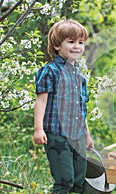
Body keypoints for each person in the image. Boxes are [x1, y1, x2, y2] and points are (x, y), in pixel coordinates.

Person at [33, 19, 94, 194]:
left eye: (81, 42)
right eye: (71, 42)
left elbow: (81, 109)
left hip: (78, 136)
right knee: (64, 180)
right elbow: (41, 101)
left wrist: (87, 135)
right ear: (57, 46)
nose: (77, 47)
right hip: (57, 134)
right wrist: (38, 129)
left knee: (78, 181)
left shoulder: (79, 77)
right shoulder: (50, 71)